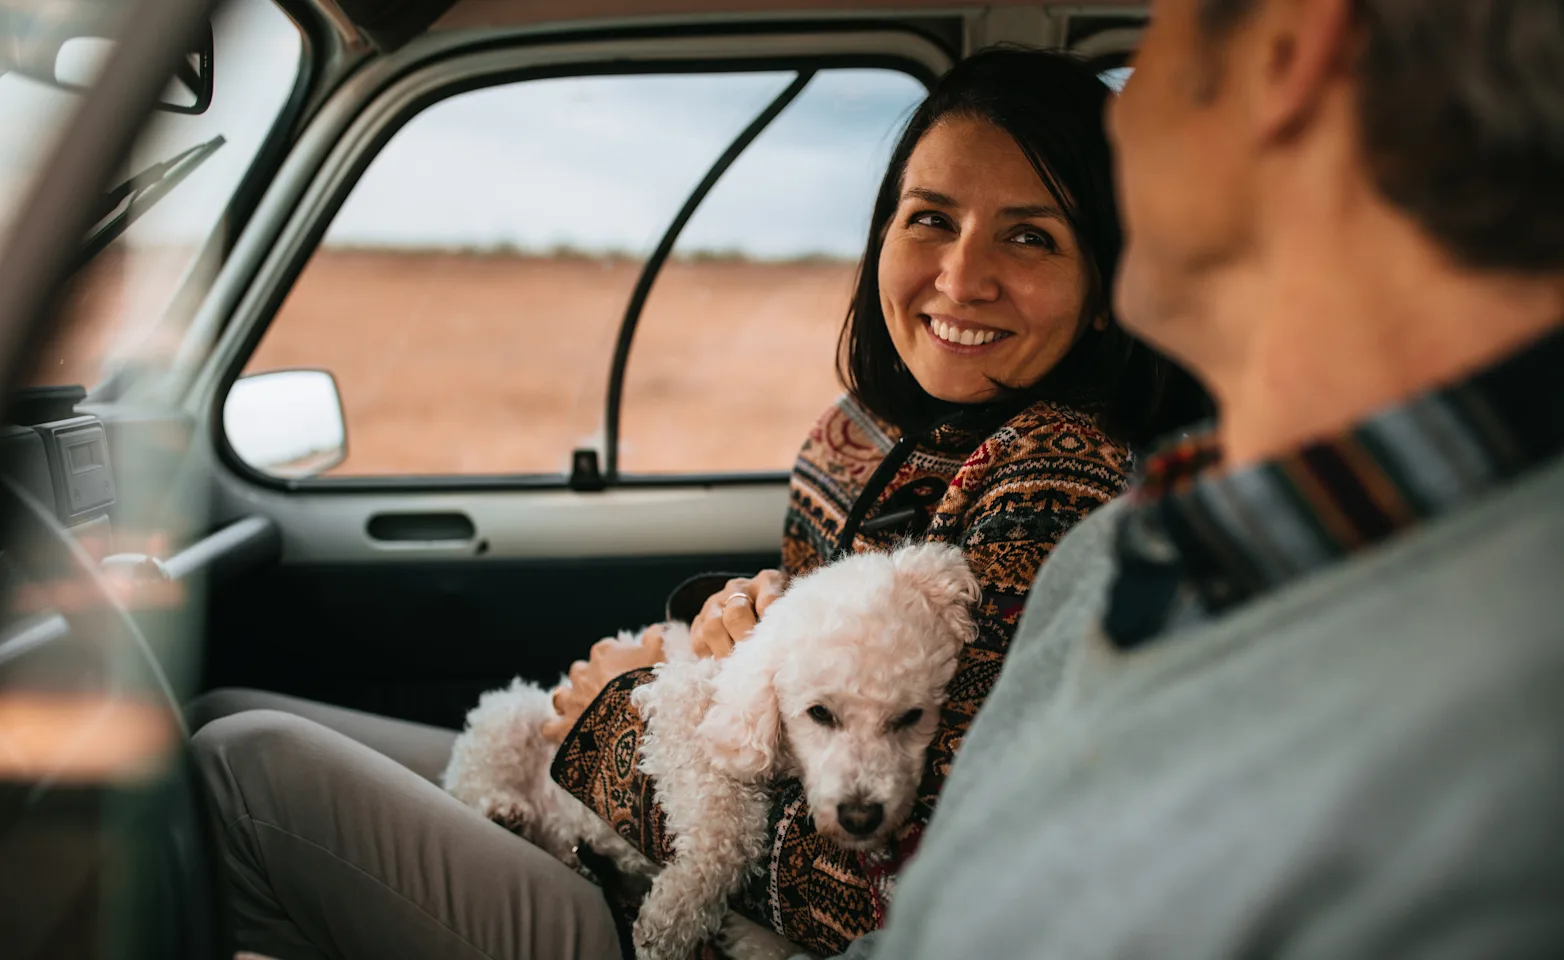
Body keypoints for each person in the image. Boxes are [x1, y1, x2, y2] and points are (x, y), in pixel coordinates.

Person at [189, 48, 1207, 960]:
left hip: (698, 923)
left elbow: (896, 885)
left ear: (1106, 284)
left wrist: (611, 732)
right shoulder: (859, 435)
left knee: (243, 775)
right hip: (656, 843)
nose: (960, 274)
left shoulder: (1057, 477)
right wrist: (732, 624)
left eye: (1028, 239)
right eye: (930, 218)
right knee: (232, 714)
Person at [830, 1, 1564, 958]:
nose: (1120, 117)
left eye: (1158, 36)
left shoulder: (1501, 773)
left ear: (1288, 54)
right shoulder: (1119, 550)